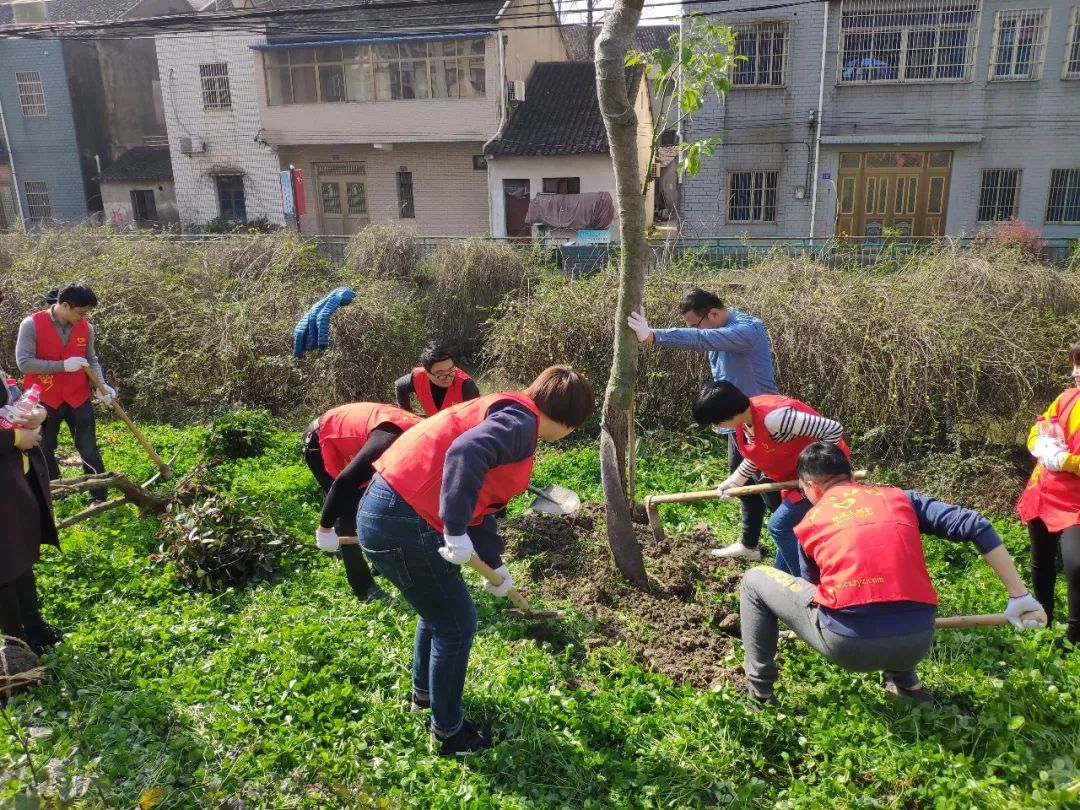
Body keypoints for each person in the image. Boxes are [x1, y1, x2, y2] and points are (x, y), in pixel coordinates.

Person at [357, 365, 594, 756]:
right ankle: (449, 735)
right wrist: (453, 527)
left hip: (385, 510)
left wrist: (494, 563)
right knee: (457, 624)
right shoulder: (522, 424)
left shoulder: (509, 409)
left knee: (438, 611)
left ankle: (425, 697)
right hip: (406, 519)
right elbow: (466, 453)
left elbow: (481, 499)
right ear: (570, 423)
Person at [739, 442, 1044, 707]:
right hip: (918, 640)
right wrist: (1021, 596)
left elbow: (817, 593)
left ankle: (760, 694)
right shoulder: (901, 498)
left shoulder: (809, 524)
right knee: (893, 583)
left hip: (849, 647)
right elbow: (976, 525)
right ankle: (906, 683)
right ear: (850, 475)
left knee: (754, 581)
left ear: (811, 487)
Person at [627, 288, 780, 561]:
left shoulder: (748, 330)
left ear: (714, 313)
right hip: (737, 424)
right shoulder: (719, 329)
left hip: (765, 424)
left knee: (772, 493)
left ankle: (798, 547)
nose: (695, 329)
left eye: (695, 323)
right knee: (743, 486)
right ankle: (749, 545)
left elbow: (702, 338)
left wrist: (654, 336)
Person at [693, 380, 848, 576]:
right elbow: (759, 453)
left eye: (716, 421)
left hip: (828, 477)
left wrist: (818, 469)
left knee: (779, 526)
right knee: (789, 529)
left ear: (729, 413)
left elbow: (833, 429)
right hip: (800, 476)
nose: (716, 426)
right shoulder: (746, 421)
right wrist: (735, 481)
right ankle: (781, 578)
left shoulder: (775, 418)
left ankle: (807, 585)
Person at [301, 402, 421, 603]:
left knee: (383, 501)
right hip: (322, 439)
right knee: (348, 510)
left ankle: (379, 560)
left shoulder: (427, 438)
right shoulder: (387, 443)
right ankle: (363, 588)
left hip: (362, 438)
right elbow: (344, 482)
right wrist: (325, 528)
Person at [15, 285, 116, 503]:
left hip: (77, 397)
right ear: (65, 305)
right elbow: (24, 363)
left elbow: (91, 360)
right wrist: (62, 365)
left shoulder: (86, 328)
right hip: (43, 400)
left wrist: (101, 385)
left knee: (88, 448)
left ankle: (98, 496)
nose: (84, 317)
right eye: (81, 312)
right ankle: (55, 492)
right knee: (44, 448)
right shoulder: (31, 324)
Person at [1016, 340, 1080, 651]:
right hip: (1045, 492)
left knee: (1076, 563)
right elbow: (1038, 428)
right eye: (1074, 365)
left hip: (1076, 502)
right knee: (1041, 558)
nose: (1075, 373)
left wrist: (1066, 460)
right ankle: (1043, 618)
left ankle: (1075, 634)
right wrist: (1042, 445)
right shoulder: (1068, 397)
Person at [0, 362, 62, 656]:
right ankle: (15, 645)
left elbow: (13, 399)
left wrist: (39, 414)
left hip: (13, 478)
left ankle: (34, 627)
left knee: (20, 553)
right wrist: (13, 438)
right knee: (5, 564)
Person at [395, 342, 479, 417]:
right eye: (440, 373)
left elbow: (477, 418)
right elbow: (399, 386)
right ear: (427, 373)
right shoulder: (418, 377)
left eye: (451, 370)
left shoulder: (467, 386)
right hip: (433, 427)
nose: (448, 377)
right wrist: (408, 415)